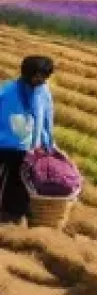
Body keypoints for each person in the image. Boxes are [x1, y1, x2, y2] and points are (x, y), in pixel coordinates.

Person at [0, 55, 56, 224]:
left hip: (28, 146)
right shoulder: (8, 91)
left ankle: (13, 214)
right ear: (26, 73)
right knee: (4, 176)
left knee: (21, 181)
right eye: (37, 75)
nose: (40, 79)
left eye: (44, 76)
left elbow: (47, 117)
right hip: (5, 143)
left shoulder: (43, 92)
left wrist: (48, 141)